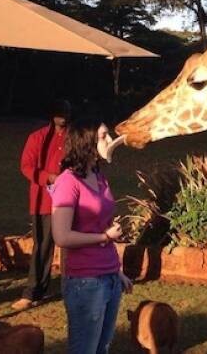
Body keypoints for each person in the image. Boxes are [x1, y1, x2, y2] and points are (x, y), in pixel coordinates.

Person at [51, 118, 133, 354]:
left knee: (102, 348)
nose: (110, 140)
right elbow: (61, 236)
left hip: (110, 276)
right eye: (103, 136)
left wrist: (117, 272)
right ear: (86, 142)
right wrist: (104, 237)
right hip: (85, 282)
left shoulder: (98, 176)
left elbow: (99, 224)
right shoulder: (68, 182)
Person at [12, 99, 72, 311]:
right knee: (42, 247)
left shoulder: (74, 138)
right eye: (59, 112)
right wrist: (49, 177)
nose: (62, 116)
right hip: (44, 200)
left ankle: (70, 289)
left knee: (69, 246)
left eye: (66, 112)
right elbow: (26, 166)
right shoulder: (37, 138)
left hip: (69, 200)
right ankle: (33, 292)